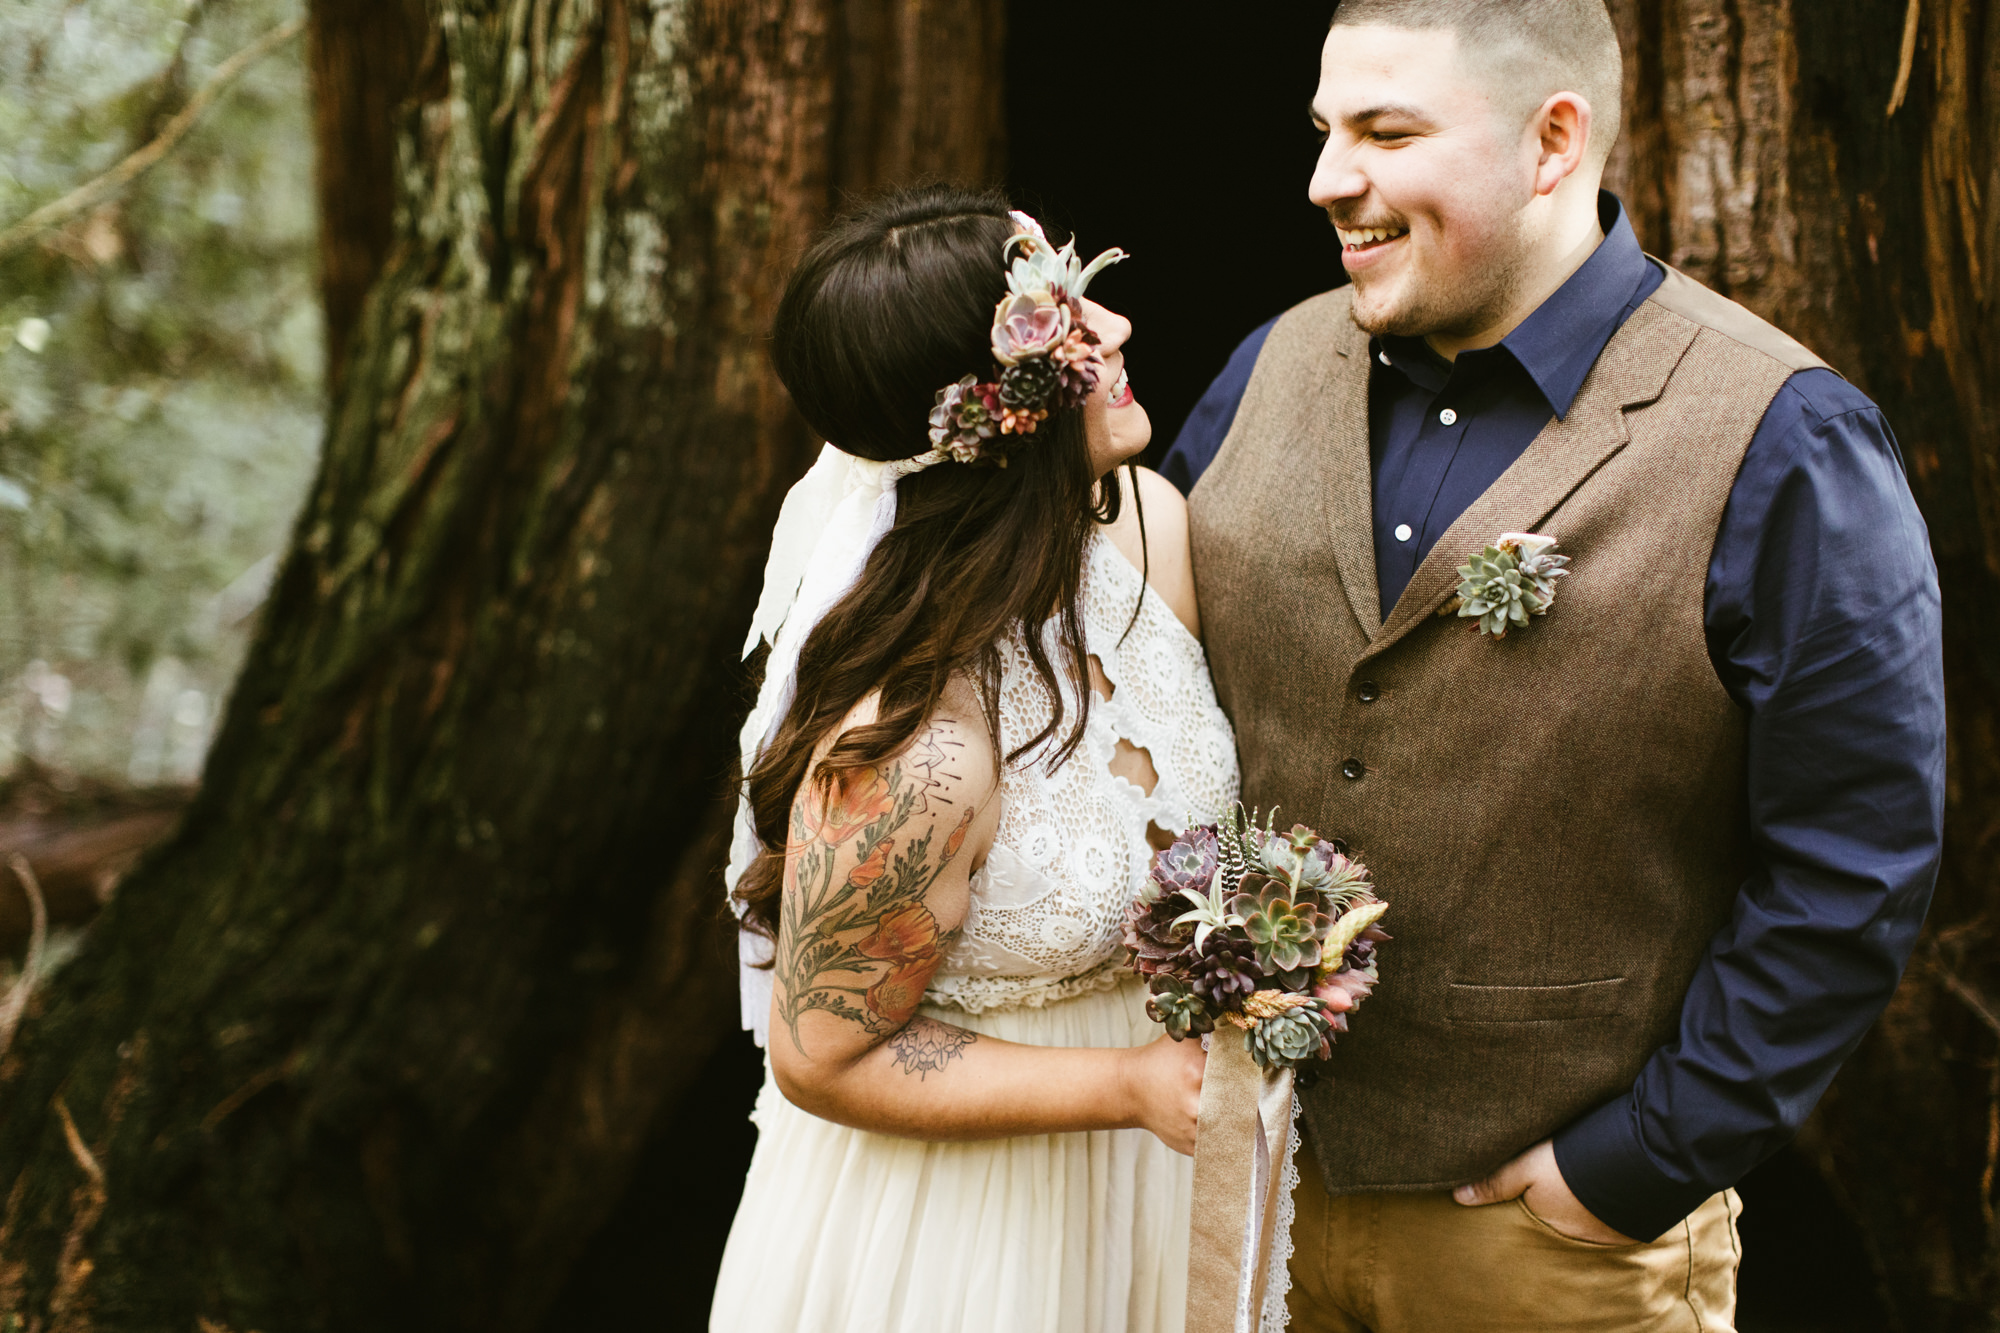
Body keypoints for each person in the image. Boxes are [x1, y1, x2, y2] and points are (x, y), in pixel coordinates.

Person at [1164, 1, 1946, 1330]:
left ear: (1553, 141)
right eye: (1323, 129)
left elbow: (1855, 854)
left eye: (1385, 131)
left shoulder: (1782, 435)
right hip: (1229, 1220)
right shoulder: (1266, 367)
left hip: (1550, 1253)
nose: (1324, 179)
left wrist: (1636, 1164)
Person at [709, 185, 1240, 1333]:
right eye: (1066, 319)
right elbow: (823, 1058)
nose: (1117, 334)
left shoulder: (1146, 525)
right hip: (955, 1235)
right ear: (991, 412)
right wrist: (1127, 1085)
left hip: (1138, 1192)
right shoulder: (913, 741)